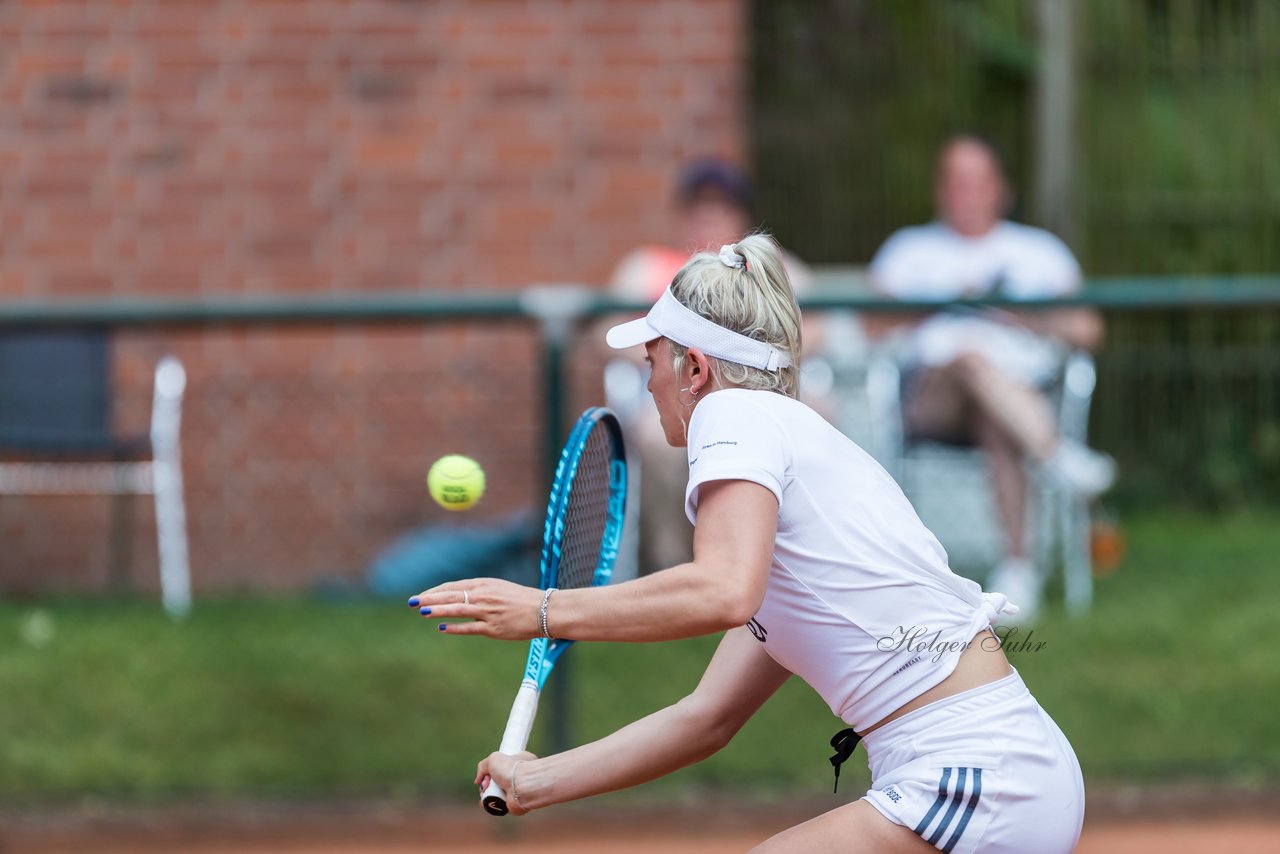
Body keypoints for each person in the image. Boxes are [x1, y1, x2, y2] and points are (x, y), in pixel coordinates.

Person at [413, 234, 1085, 853]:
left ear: (695, 369)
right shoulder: (791, 480)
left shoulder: (734, 415)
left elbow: (719, 591)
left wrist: (542, 610)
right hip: (996, 765)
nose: (647, 381)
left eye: (651, 359)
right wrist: (538, 783)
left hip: (978, 769)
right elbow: (705, 718)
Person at [869, 135, 1115, 623]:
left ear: (1002, 189)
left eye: (978, 182)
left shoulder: (1040, 252)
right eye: (956, 182)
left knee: (994, 415)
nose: (967, 194)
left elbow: (1090, 329)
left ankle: (1017, 570)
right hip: (930, 399)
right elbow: (868, 326)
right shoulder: (909, 250)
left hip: (1013, 400)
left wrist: (1021, 316)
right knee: (968, 359)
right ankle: (1056, 455)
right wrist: (940, 303)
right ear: (940, 191)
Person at [606, 157, 814, 576]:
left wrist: (727, 364)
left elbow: (814, 330)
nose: (707, 215)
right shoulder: (647, 265)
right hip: (685, 393)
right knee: (655, 432)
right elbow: (606, 331)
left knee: (814, 415)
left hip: (760, 395)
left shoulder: (769, 267)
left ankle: (782, 566)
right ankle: (672, 568)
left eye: (720, 205)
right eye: (697, 205)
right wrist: (672, 361)